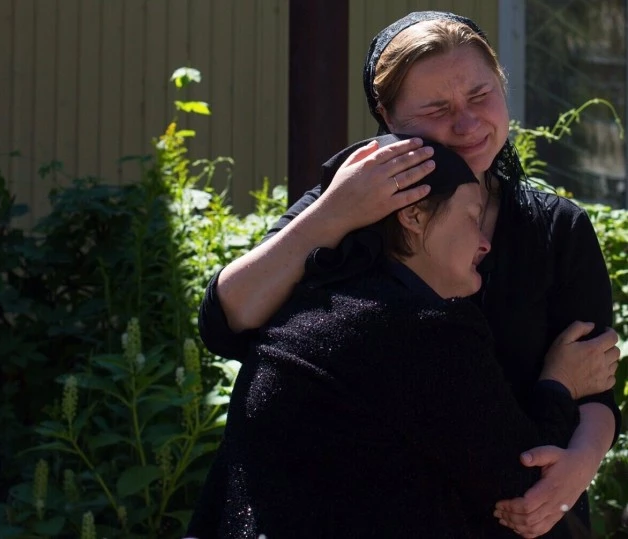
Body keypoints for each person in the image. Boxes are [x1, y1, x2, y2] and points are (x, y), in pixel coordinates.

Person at [197, 10, 622, 539]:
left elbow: (595, 385)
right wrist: (333, 214)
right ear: (388, 115)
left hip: (528, 508)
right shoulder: (348, 205)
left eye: (481, 95)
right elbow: (226, 324)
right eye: (437, 109)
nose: (467, 124)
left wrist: (575, 470)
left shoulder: (557, 228)